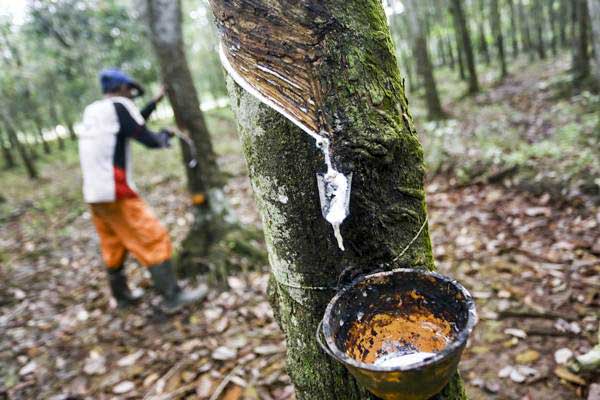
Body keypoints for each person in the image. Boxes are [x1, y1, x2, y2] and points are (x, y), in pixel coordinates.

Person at [79, 68, 206, 313]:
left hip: (94, 192)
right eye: (131, 90)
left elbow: (131, 125)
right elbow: (145, 137)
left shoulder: (95, 110)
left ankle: (122, 295)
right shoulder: (120, 105)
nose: (132, 96)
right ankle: (173, 296)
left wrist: (155, 102)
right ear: (122, 88)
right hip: (115, 190)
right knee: (152, 236)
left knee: (113, 243)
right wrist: (163, 138)